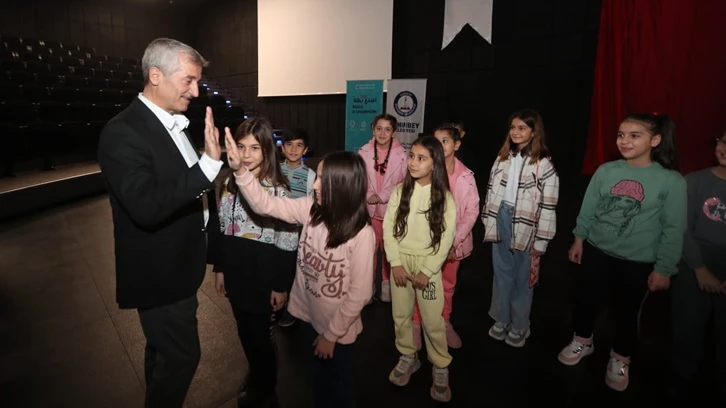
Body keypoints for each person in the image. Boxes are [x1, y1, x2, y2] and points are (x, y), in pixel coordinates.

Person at [97, 38, 221, 407]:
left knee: (163, 353)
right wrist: (208, 167)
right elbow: (147, 206)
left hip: (181, 266)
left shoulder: (173, 123)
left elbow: (185, 191)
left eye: (197, 82)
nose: (195, 91)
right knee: (182, 358)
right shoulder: (122, 131)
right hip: (159, 274)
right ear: (155, 76)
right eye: (188, 80)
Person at [225, 128, 375, 408]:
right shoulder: (309, 209)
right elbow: (265, 205)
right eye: (317, 178)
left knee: (340, 386)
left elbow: (360, 294)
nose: (315, 185)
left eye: (323, 179)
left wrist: (330, 336)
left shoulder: (362, 234)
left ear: (343, 185)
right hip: (308, 318)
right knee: (318, 380)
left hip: (337, 329)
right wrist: (241, 172)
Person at [558, 113, 686, 392]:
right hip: (596, 251)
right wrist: (579, 239)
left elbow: (674, 229)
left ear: (655, 140)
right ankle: (583, 340)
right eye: (620, 135)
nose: (624, 141)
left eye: (634, 136)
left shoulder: (671, 181)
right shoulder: (606, 171)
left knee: (626, 312)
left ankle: (620, 357)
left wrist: (664, 268)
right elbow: (588, 208)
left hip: (637, 262)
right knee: (585, 300)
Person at [207, 117, 296, 407]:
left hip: (264, 277)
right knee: (244, 331)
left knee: (261, 337)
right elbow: (221, 228)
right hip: (236, 273)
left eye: (254, 148)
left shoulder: (278, 190)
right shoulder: (227, 183)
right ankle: (256, 371)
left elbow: (287, 241)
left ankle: (265, 387)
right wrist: (220, 268)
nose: (246, 155)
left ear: (267, 150)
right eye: (241, 147)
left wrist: (280, 285)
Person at [384, 135, 456, 402]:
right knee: (401, 315)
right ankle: (407, 355)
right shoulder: (399, 191)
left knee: (432, 320)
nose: (413, 162)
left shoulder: (445, 199)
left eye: (421, 158)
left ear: (434, 163)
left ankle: (440, 364)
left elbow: (445, 239)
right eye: (412, 156)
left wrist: (427, 270)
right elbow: (388, 229)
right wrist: (395, 263)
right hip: (401, 265)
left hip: (428, 268)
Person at [481, 109, 560, 348]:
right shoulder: (503, 157)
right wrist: (488, 218)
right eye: (513, 127)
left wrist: (542, 240)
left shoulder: (543, 163)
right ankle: (502, 318)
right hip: (502, 217)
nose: (516, 132)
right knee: (501, 273)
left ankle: (520, 324)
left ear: (534, 132)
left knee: (523, 278)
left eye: (522, 128)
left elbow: (549, 205)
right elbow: (491, 189)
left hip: (526, 224)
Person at [411, 124, 479, 350]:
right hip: (425, 243)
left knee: (447, 285)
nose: (440, 145)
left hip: (453, 246)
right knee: (421, 283)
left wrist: (452, 242)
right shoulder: (425, 171)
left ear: (457, 145)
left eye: (445, 141)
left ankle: (444, 320)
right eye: (436, 140)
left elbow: (471, 212)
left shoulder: (466, 176)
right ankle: (416, 322)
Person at [670, 130, 726, 405]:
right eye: (724, 141)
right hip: (694, 261)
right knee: (687, 328)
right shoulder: (693, 181)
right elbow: (681, 227)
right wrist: (699, 268)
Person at [359, 113, 408, 302]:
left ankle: (388, 286)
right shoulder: (363, 152)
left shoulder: (403, 156)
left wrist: (381, 196)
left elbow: (403, 183)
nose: (382, 133)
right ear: (373, 130)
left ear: (394, 133)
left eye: (387, 129)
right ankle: (368, 288)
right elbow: (360, 179)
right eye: (379, 128)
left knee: (390, 251)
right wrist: (369, 195)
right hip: (369, 213)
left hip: (391, 212)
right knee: (369, 251)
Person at [277, 128, 316, 327]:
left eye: (299, 145)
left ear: (305, 149)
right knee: (277, 267)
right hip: (276, 229)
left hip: (298, 230)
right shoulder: (275, 170)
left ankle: (291, 307)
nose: (293, 149)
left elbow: (312, 204)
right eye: (289, 145)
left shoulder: (310, 175)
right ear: (282, 148)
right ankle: (277, 301)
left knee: (295, 269)